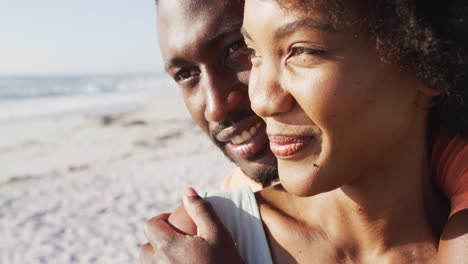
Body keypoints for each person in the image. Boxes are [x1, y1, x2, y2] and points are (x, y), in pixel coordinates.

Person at [142, 0, 468, 263]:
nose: (261, 100)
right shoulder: (205, 237)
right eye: (254, 53)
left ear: (429, 58)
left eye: (302, 50)